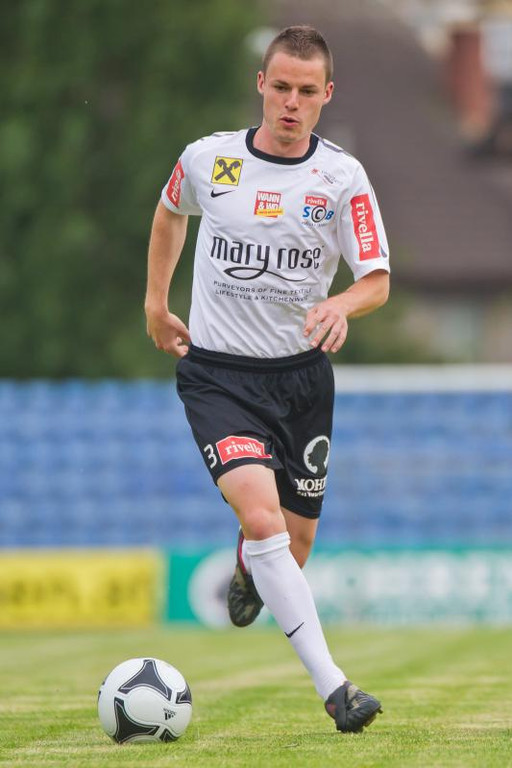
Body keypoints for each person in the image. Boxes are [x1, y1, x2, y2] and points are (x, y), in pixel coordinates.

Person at [145, 25, 390, 734]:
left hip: (301, 382)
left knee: (294, 543)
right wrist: (156, 305)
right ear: (260, 83)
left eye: (306, 91)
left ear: (326, 95)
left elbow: (376, 279)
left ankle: (253, 570)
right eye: (280, 86)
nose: (291, 102)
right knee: (260, 519)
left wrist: (341, 304)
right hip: (219, 376)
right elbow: (169, 213)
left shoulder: (341, 178)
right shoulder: (208, 159)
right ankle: (336, 689)